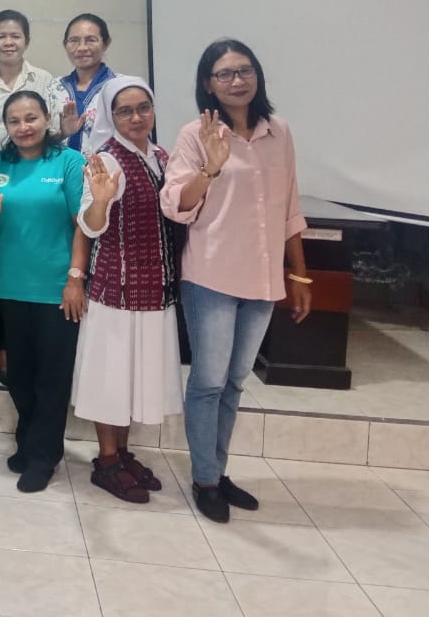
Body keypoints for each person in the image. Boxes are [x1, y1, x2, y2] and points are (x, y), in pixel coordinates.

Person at [161, 39, 311, 524]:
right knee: (208, 381)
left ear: (257, 75)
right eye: (224, 74)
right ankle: (205, 479)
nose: (237, 81)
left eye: (244, 70)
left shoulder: (278, 131)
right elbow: (177, 205)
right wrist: (211, 166)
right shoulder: (196, 134)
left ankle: (218, 471)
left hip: (263, 279)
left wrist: (299, 273)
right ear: (208, 84)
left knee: (234, 381)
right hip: (211, 275)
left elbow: (289, 207)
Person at [0, 9, 80, 391]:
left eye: (16, 36)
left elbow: (51, 135)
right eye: (2, 35)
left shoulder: (45, 81)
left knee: (13, 271)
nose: (9, 42)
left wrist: (67, 133)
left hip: (30, 181)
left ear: (27, 40)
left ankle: (8, 351)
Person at [73, 76, 181, 504]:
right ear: (111, 116)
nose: (136, 118)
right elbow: (90, 225)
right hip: (114, 292)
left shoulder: (161, 156)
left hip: (155, 289)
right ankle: (107, 460)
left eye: (143, 108)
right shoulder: (105, 160)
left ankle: (122, 452)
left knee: (135, 376)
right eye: (125, 111)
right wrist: (100, 200)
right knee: (111, 377)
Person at [0, 90, 87, 493]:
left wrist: (75, 279)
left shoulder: (69, 162)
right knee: (19, 375)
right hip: (10, 287)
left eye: (31, 118)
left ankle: (43, 456)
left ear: (47, 120)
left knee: (51, 378)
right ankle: (28, 441)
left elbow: (82, 224)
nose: (24, 127)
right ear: (6, 126)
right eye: (15, 121)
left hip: (57, 290)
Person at [59, 13, 117, 154]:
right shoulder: (52, 88)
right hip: (60, 168)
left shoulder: (120, 88)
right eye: (74, 40)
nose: (82, 48)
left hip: (109, 166)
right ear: (65, 44)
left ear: (106, 43)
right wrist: (62, 133)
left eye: (91, 40)